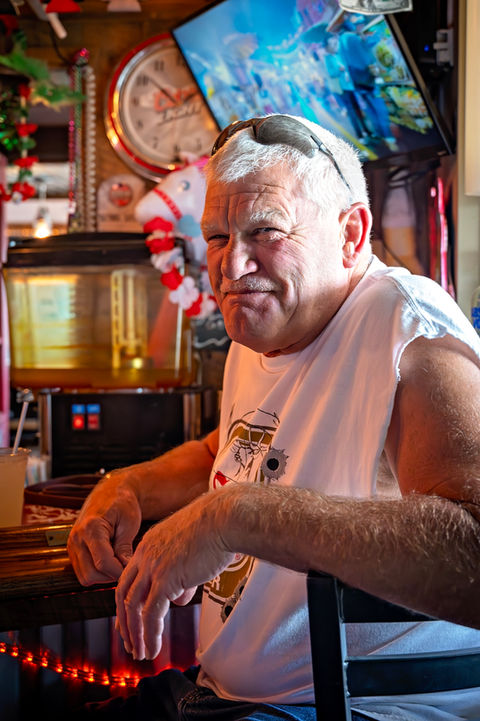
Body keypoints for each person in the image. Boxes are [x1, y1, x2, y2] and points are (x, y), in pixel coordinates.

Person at [67, 114, 480, 721]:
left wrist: (234, 515)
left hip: (360, 709)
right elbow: (226, 453)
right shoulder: (264, 326)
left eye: (266, 231)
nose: (232, 268)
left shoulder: (405, 324)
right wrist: (125, 487)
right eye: (215, 238)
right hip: (228, 696)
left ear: (350, 234)